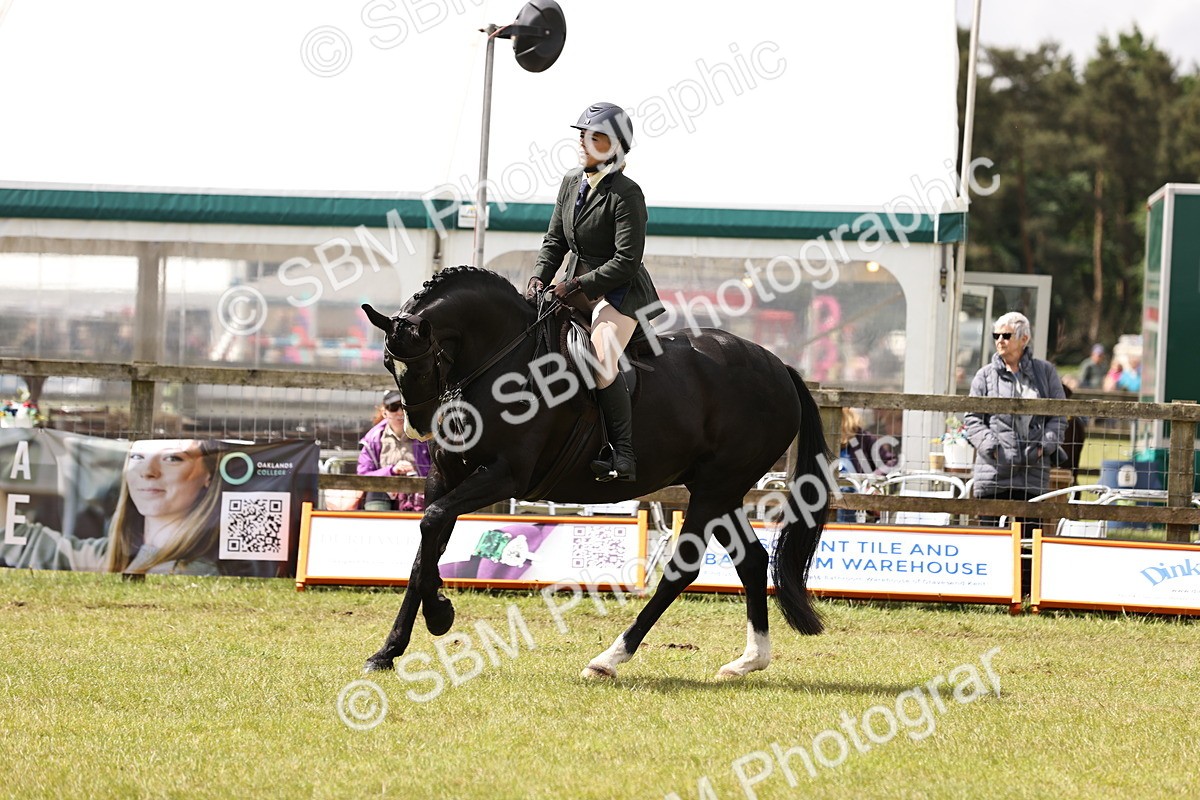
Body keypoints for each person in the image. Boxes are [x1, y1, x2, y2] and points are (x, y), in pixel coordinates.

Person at [524, 102, 664, 483]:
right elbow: (555, 241)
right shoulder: (571, 182)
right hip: (574, 285)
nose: (584, 143)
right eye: (583, 135)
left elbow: (626, 261)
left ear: (615, 147)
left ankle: (623, 453)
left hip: (617, 293)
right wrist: (538, 278)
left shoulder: (627, 194)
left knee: (602, 360)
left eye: (595, 137)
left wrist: (575, 286)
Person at [0, 439, 229, 574]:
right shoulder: (115, 555)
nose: (148, 471)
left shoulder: (196, 573)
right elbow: (24, 542)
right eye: (137, 457)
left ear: (208, 476)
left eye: (172, 458)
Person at [964, 311, 1067, 515]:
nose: (1000, 340)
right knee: (991, 534)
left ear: (1024, 339)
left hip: (1033, 472)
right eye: (996, 335)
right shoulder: (984, 375)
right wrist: (993, 449)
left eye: (1006, 335)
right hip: (993, 471)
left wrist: (1042, 448)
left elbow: (1060, 416)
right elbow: (972, 419)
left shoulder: (1045, 372)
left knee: (1030, 535)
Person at [358, 390, 430, 512]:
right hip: (384, 493)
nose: (400, 412)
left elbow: (438, 470)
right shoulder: (372, 439)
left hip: (418, 492)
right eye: (393, 407)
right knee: (375, 494)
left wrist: (415, 474)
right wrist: (392, 471)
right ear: (384, 412)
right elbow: (363, 476)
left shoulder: (424, 437)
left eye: (403, 407)